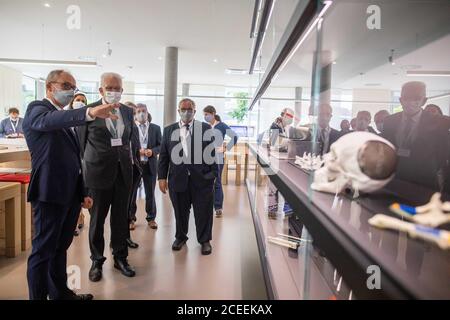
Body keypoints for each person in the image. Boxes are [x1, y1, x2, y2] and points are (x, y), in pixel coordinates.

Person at [23, 69, 117, 300]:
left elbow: (75, 160)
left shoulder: (65, 118)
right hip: (49, 192)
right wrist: (90, 111)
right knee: (43, 251)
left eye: (73, 88)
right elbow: (48, 122)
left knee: (59, 248)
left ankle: (60, 294)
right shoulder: (38, 109)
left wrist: (82, 192)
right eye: (66, 85)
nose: (70, 91)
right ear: (49, 87)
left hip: (69, 194)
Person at [78, 72, 137, 282]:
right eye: (109, 88)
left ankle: (120, 257)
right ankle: (96, 260)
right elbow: (81, 146)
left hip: (123, 173)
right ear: (101, 90)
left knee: (121, 218)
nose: (114, 92)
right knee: (97, 220)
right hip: (97, 174)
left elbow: (128, 141)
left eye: (118, 88)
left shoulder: (129, 112)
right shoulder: (89, 111)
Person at [158, 98, 217, 255]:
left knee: (203, 211)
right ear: (178, 111)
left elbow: (212, 154)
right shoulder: (169, 130)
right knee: (180, 211)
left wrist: (213, 176)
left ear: (194, 111)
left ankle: (204, 240)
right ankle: (181, 237)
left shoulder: (204, 128)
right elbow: (163, 156)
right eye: (183, 109)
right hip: (178, 179)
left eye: (189, 109)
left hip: (201, 180)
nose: (186, 112)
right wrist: (161, 178)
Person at [382, 81, 450, 190]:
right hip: (394, 179)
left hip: (425, 181)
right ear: (400, 100)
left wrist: (428, 167)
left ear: (424, 100)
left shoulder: (438, 122)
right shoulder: (390, 120)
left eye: (416, 97)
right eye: (406, 97)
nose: (411, 101)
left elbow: (443, 153)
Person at [203, 105, 238, 217]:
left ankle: (218, 207)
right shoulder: (205, 126)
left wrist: (225, 148)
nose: (205, 117)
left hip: (218, 158)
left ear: (213, 114)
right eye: (204, 115)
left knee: (217, 182)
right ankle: (205, 205)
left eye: (207, 114)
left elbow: (235, 137)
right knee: (205, 182)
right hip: (205, 158)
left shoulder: (222, 126)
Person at [131, 103, 161, 229]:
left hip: (150, 165)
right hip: (135, 165)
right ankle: (131, 218)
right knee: (131, 194)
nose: (141, 113)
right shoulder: (131, 128)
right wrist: (136, 151)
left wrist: (153, 151)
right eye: (138, 111)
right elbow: (127, 145)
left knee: (150, 193)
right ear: (135, 114)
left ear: (148, 112)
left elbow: (161, 145)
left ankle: (151, 218)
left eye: (144, 111)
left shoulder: (155, 128)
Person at [66, 92, 88, 236]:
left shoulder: (86, 120)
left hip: (83, 162)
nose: (80, 102)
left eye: (83, 101)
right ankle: (74, 220)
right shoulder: (64, 118)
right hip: (68, 163)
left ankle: (78, 216)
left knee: (79, 192)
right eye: (78, 100)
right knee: (70, 193)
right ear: (72, 101)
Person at [123, 101, 141, 249]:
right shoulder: (116, 127)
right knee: (118, 208)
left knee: (128, 204)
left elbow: (136, 150)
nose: (132, 116)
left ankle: (125, 237)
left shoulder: (134, 128)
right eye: (130, 112)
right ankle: (116, 240)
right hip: (117, 172)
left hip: (133, 171)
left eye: (133, 113)